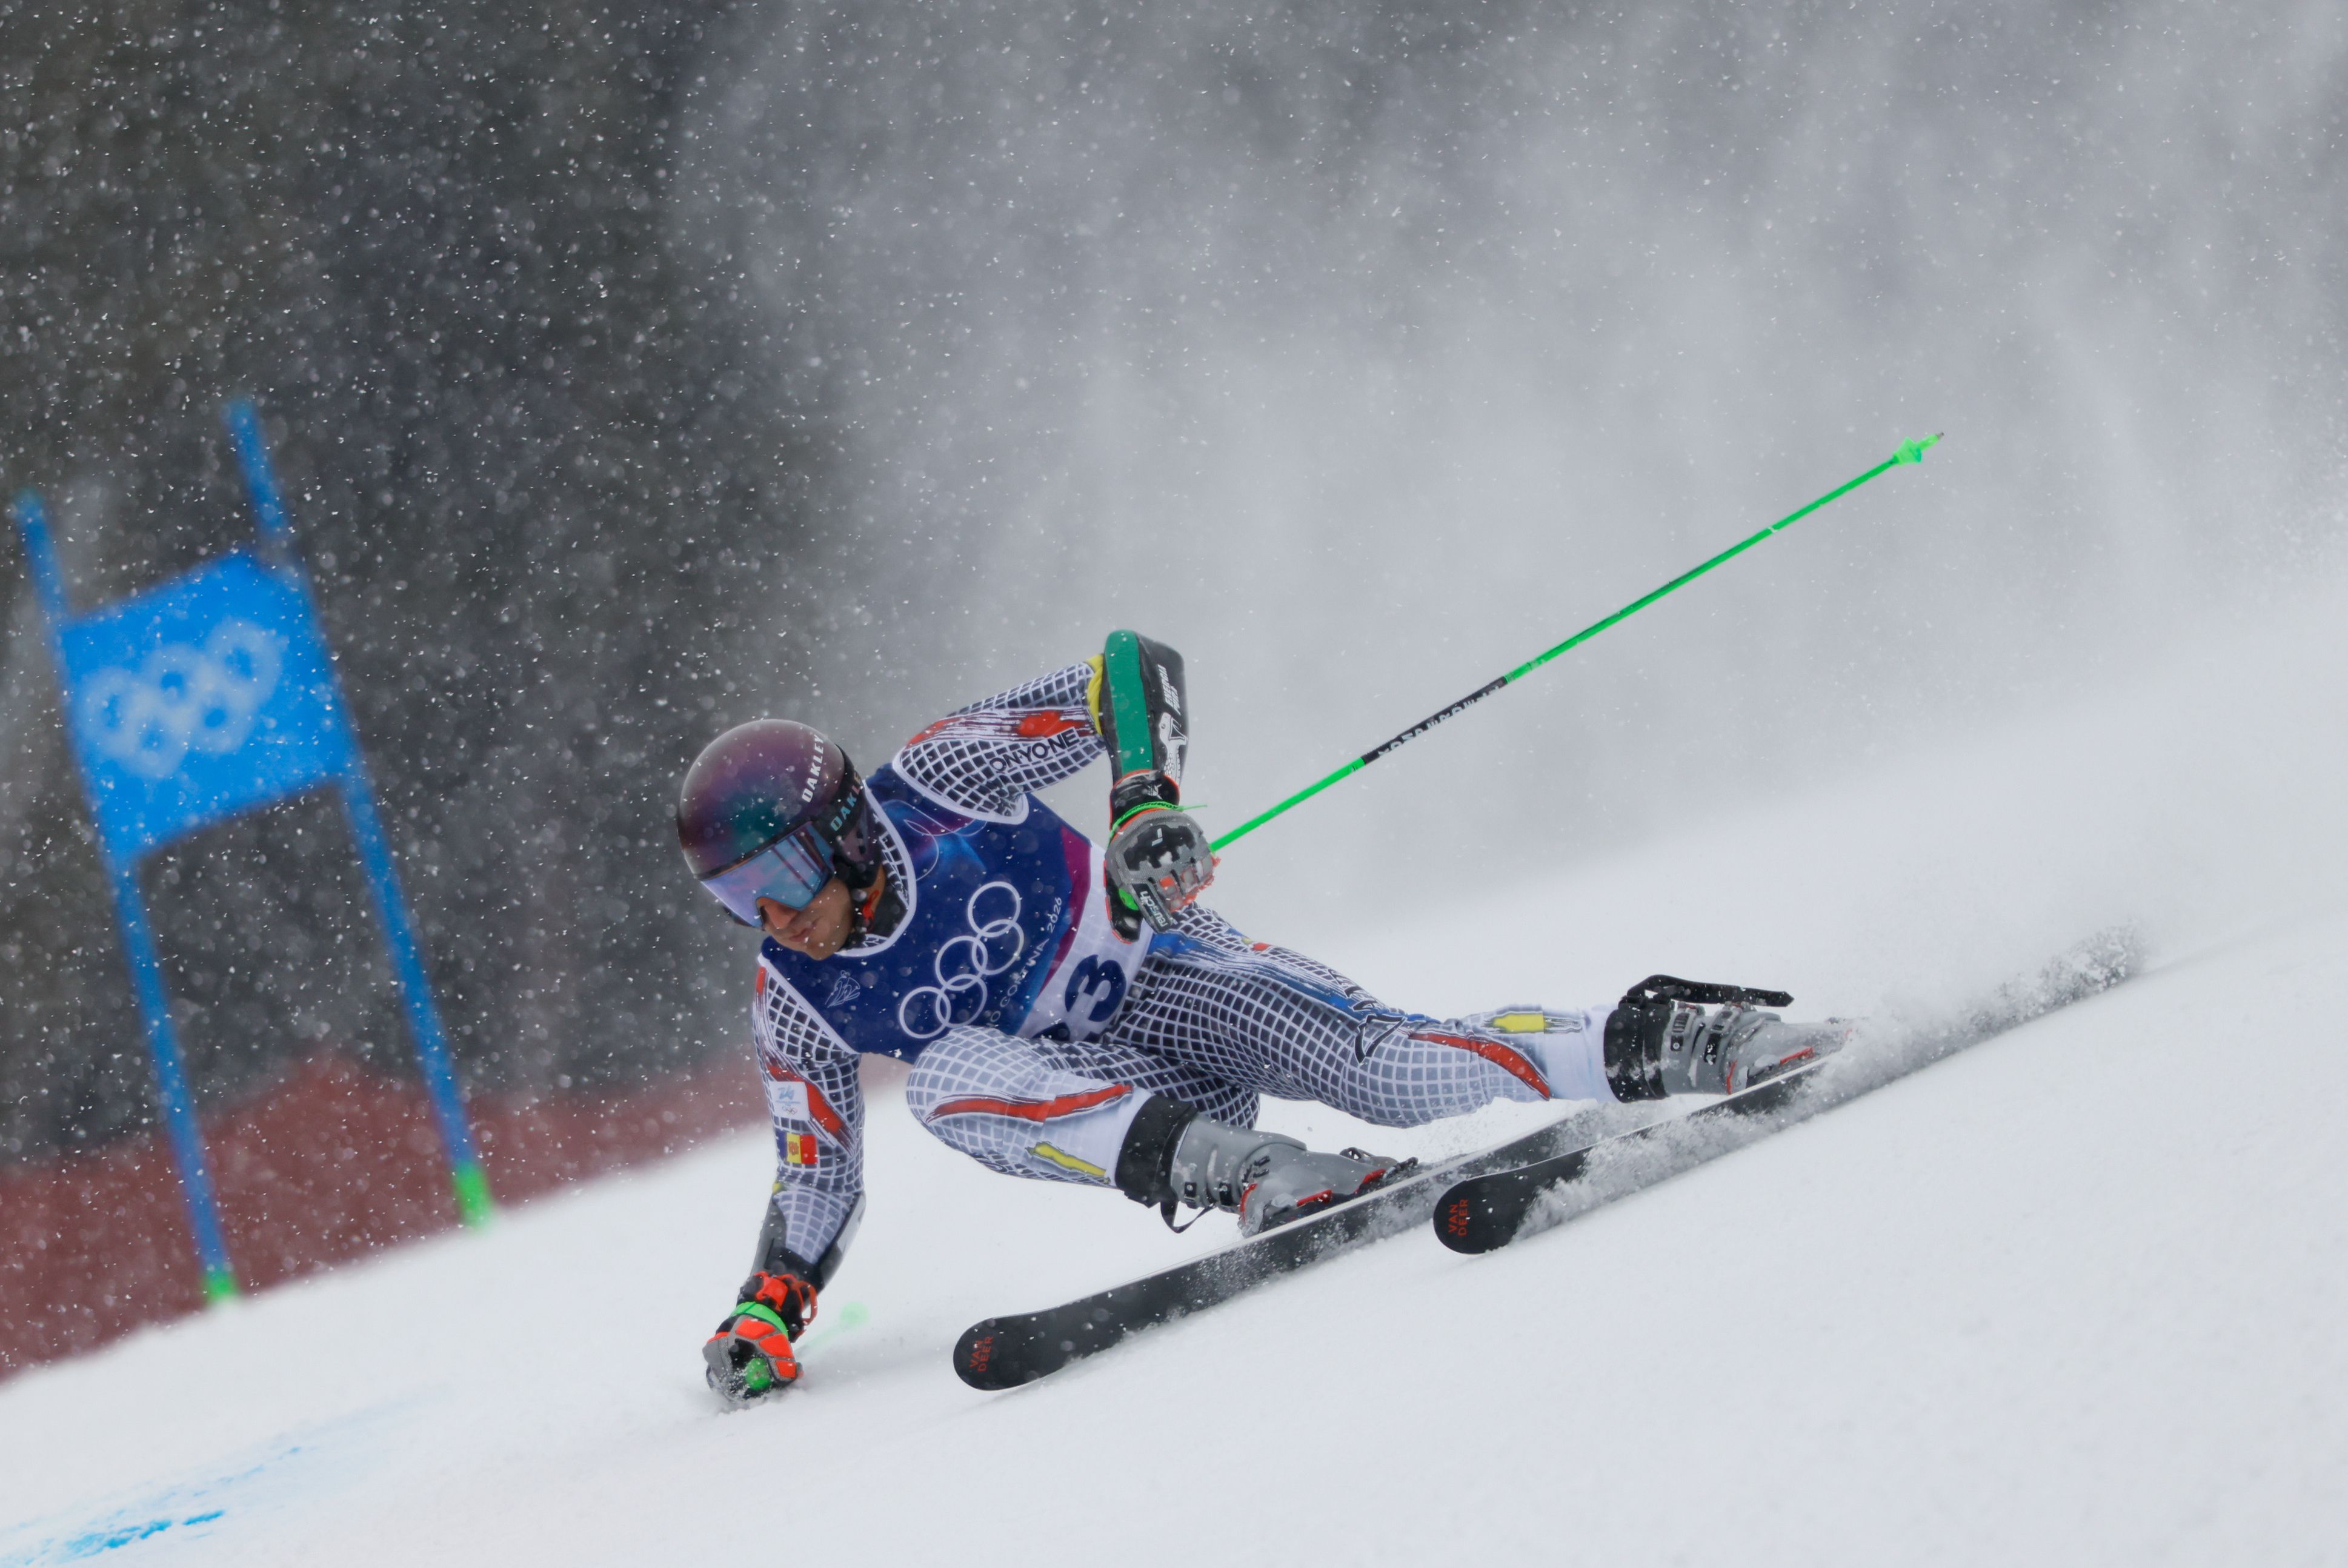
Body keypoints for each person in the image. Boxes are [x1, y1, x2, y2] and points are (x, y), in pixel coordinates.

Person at [678, 631, 1847, 1403]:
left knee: (1392, 1073)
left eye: (775, 881)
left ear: (837, 831)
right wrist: (767, 1309)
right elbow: (816, 1175)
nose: (769, 920)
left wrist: (1141, 804)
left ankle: (1678, 1039)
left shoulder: (940, 780)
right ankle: (1258, 1176)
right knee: (943, 1082)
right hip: (1136, 1111)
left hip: (1179, 975)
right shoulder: (799, 1003)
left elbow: (1129, 669)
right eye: (734, 903)